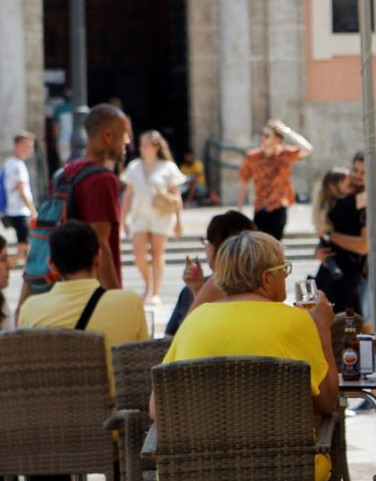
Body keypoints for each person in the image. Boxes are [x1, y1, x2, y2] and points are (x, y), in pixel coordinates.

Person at [149, 231, 339, 481]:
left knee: (200, 464)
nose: (286, 275)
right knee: (316, 471)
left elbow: (159, 409)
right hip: (284, 473)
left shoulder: (196, 320)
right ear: (267, 278)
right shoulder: (294, 322)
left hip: (198, 474)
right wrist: (322, 330)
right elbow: (327, 402)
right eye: (284, 269)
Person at [17, 220, 148, 481]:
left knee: (42, 421)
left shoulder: (31, 308)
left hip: (50, 433)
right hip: (112, 431)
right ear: (99, 259)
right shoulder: (128, 302)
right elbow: (141, 374)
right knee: (131, 421)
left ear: (51, 265)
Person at [17, 103, 129, 315]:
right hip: (90, 298)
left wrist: (24, 299)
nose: (127, 142)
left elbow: (44, 232)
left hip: (60, 290)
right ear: (107, 135)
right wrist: (117, 301)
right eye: (124, 135)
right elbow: (101, 243)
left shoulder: (63, 174)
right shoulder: (103, 179)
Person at [121, 130, 186, 305]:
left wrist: (179, 221)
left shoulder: (168, 167)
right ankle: (148, 285)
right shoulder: (134, 167)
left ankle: (155, 291)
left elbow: (176, 195)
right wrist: (123, 219)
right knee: (138, 254)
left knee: (157, 254)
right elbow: (128, 195)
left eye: (146, 144)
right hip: (139, 215)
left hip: (161, 216)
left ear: (156, 147)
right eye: (141, 144)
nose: (142, 148)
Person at [165, 210, 255, 336]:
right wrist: (198, 290)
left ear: (215, 248)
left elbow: (177, 340)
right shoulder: (262, 289)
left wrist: (199, 293)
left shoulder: (251, 291)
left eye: (207, 242)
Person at [237, 119, 313, 240]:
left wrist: (287, 131)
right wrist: (239, 210)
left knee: (275, 244)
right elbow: (243, 181)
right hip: (260, 207)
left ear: (277, 139)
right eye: (261, 134)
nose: (262, 138)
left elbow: (308, 149)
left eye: (267, 135)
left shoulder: (284, 154)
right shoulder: (253, 156)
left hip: (278, 206)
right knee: (259, 245)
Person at [346, 150, 376, 332]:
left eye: (363, 172)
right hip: (354, 271)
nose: (357, 176)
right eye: (355, 170)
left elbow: (368, 244)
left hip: (371, 271)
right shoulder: (350, 196)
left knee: (368, 323)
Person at [312, 167, 367, 314]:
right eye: (350, 184)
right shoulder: (346, 204)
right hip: (343, 277)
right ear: (336, 188)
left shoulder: (329, 206)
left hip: (331, 273)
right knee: (346, 326)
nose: (354, 187)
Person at [1, 131, 38, 265]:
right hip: (20, 212)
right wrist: (33, 211)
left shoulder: (9, 163)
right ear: (19, 146)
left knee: (24, 250)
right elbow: (22, 191)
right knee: (25, 251)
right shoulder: (17, 166)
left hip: (13, 211)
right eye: (28, 146)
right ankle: (5, 267)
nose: (31, 150)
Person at [52, 89, 73, 165]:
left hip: (63, 141)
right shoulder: (78, 108)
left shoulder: (59, 110)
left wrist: (55, 141)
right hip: (77, 142)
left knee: (65, 165)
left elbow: (55, 129)